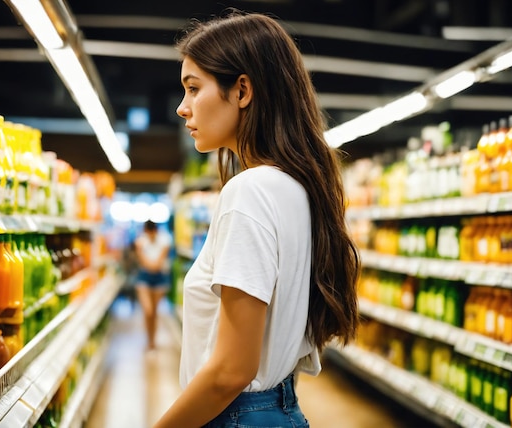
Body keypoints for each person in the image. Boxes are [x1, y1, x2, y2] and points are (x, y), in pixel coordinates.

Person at [154, 10, 360, 428]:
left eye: (194, 89)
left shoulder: (249, 191)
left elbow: (231, 370)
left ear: (242, 90)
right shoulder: (298, 188)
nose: (182, 107)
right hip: (279, 408)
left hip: (237, 417)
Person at [134, 219, 172, 350]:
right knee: (148, 311)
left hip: (159, 278)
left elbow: (157, 264)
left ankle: (152, 340)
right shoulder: (140, 242)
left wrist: (151, 264)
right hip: (144, 278)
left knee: (154, 312)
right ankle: (149, 338)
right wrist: (152, 265)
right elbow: (149, 263)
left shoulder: (165, 240)